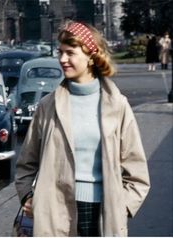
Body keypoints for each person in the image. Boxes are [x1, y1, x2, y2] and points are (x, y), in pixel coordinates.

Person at [15, 20, 150, 237]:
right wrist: (27, 197)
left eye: (70, 53)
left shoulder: (117, 105)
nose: (62, 59)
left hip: (103, 212)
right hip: (54, 211)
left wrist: (121, 207)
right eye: (60, 52)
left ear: (90, 56)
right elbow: (25, 164)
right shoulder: (47, 106)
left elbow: (137, 172)